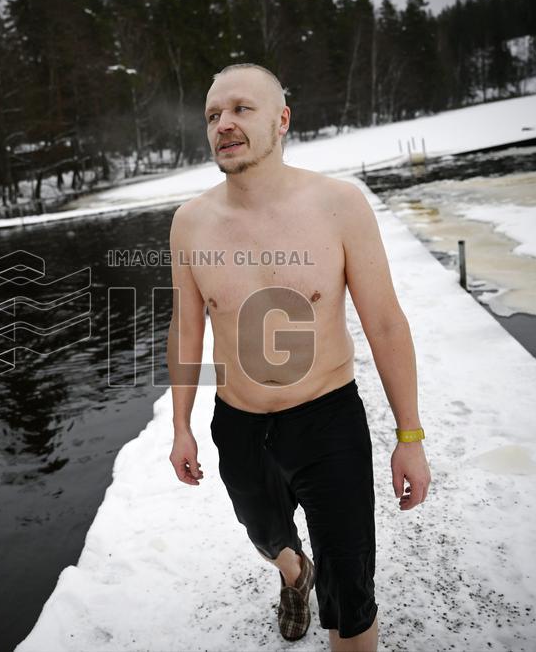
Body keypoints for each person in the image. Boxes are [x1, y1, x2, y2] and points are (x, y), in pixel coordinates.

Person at [167, 63, 431, 651]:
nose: (224, 125)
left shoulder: (338, 205)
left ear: (282, 120)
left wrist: (409, 437)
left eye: (241, 109)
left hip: (327, 419)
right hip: (238, 424)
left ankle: (331, 596)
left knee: (350, 589)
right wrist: (181, 425)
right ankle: (292, 572)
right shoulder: (190, 224)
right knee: (264, 533)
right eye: (213, 115)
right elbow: (186, 330)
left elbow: (385, 323)